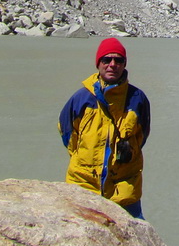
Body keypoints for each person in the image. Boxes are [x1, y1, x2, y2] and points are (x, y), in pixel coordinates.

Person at [58, 37, 151, 217]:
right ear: (98, 63)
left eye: (118, 60)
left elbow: (142, 135)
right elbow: (67, 132)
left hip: (124, 189)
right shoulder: (81, 98)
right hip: (83, 185)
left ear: (124, 64)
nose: (112, 64)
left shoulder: (137, 99)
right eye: (106, 59)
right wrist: (83, 158)